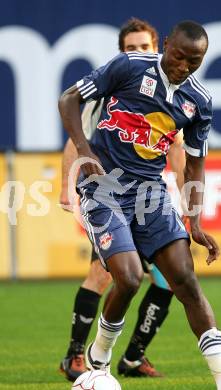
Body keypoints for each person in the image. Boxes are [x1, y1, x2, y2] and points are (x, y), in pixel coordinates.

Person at [58, 20, 221, 390]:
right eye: (178, 56)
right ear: (166, 46)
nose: (183, 66)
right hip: (103, 187)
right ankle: (98, 359)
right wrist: (84, 150)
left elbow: (194, 166)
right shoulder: (130, 66)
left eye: (194, 61)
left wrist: (194, 223)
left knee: (186, 282)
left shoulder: (199, 101)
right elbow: (69, 99)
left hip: (151, 194)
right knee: (127, 279)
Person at [59, 17, 185, 382]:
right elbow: (75, 139)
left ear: (157, 47)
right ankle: (74, 357)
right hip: (110, 194)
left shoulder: (171, 90)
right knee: (103, 273)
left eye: (144, 47)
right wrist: (68, 188)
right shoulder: (111, 90)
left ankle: (133, 357)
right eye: (131, 48)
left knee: (166, 280)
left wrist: (183, 193)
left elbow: (177, 146)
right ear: (122, 52)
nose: (138, 53)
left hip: (152, 196)